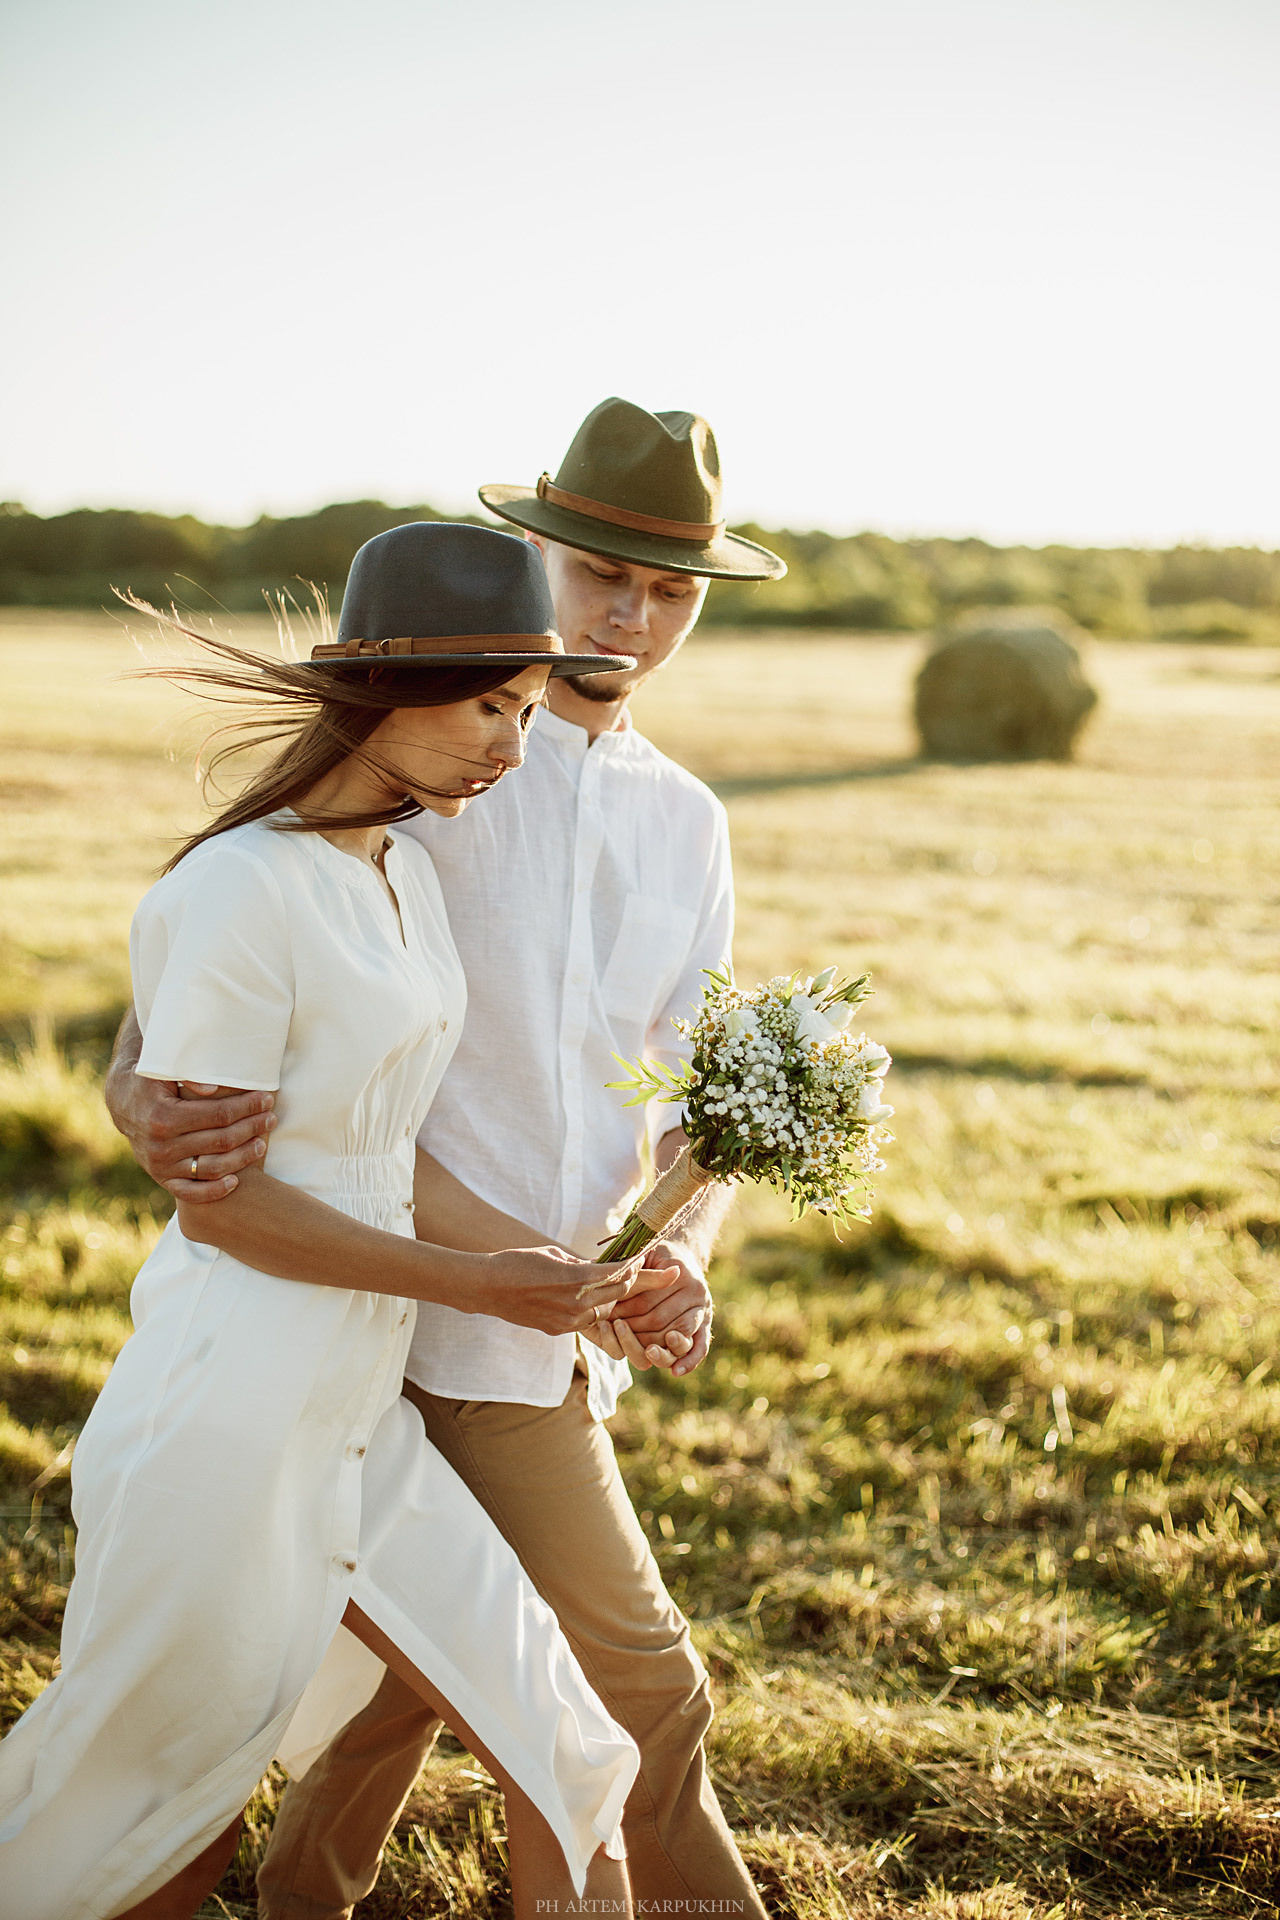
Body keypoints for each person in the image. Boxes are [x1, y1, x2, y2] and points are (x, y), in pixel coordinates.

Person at [106, 398, 787, 1918]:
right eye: (603, 575)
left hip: (543, 1325)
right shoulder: (441, 750)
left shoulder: (691, 826)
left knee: (417, 1682)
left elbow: (706, 1100)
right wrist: (130, 1089)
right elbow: (225, 943)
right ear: (528, 553)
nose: (635, 614)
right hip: (394, 1303)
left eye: (671, 590)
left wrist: (685, 1244)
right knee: (637, 1689)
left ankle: (305, 1898)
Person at [0, 525, 653, 1920]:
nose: (511, 748)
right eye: (490, 704)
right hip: (228, 1412)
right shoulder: (239, 888)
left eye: (530, 715)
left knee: (569, 1746)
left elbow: (381, 1151)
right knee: (143, 1831)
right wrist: (479, 1286)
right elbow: (228, 1208)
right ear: (388, 690)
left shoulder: (405, 875)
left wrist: (570, 1276)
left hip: (362, 1409)